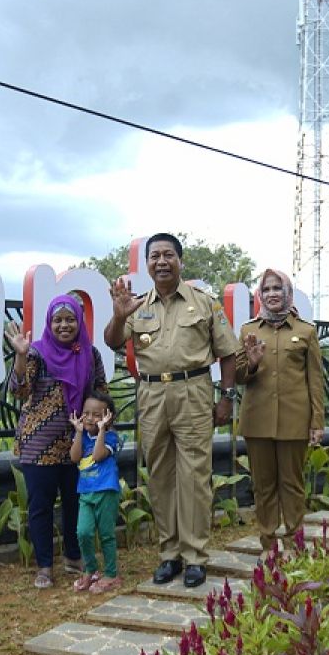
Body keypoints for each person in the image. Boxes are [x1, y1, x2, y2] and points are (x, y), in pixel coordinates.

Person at [104, 232, 239, 588]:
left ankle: (195, 556)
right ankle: (169, 554)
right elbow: (113, 340)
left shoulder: (204, 302)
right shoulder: (137, 304)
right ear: (147, 264)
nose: (161, 261)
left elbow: (228, 353)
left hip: (192, 390)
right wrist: (119, 316)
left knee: (194, 474)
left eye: (168, 255)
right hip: (151, 394)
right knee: (160, 474)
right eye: (154, 256)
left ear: (180, 261)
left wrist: (227, 397)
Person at [5, 294, 107, 589]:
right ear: (49, 323)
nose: (64, 325)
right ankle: (45, 566)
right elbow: (19, 391)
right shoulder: (35, 353)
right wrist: (21, 356)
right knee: (41, 506)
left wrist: (99, 423)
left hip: (77, 443)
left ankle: (74, 557)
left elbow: (100, 390)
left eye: (70, 319)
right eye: (58, 320)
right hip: (39, 444)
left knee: (77, 501)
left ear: (79, 321)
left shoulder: (90, 353)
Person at [236, 269, 324, 554]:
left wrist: (317, 421)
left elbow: (315, 380)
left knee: (292, 484)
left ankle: (295, 541)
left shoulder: (305, 330)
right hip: (257, 419)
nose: (273, 293)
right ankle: (268, 543)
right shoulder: (249, 330)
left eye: (278, 288)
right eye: (268, 289)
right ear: (260, 294)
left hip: (294, 419)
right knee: (263, 485)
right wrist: (250, 363)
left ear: (288, 293)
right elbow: (238, 376)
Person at [68, 392, 123, 594]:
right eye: (86, 413)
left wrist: (101, 431)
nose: (90, 418)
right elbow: (74, 457)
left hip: (106, 491)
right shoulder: (81, 436)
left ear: (109, 417)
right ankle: (90, 570)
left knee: (107, 534)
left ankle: (111, 574)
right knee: (83, 532)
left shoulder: (112, 437)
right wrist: (78, 432)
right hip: (86, 492)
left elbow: (99, 456)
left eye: (96, 414)